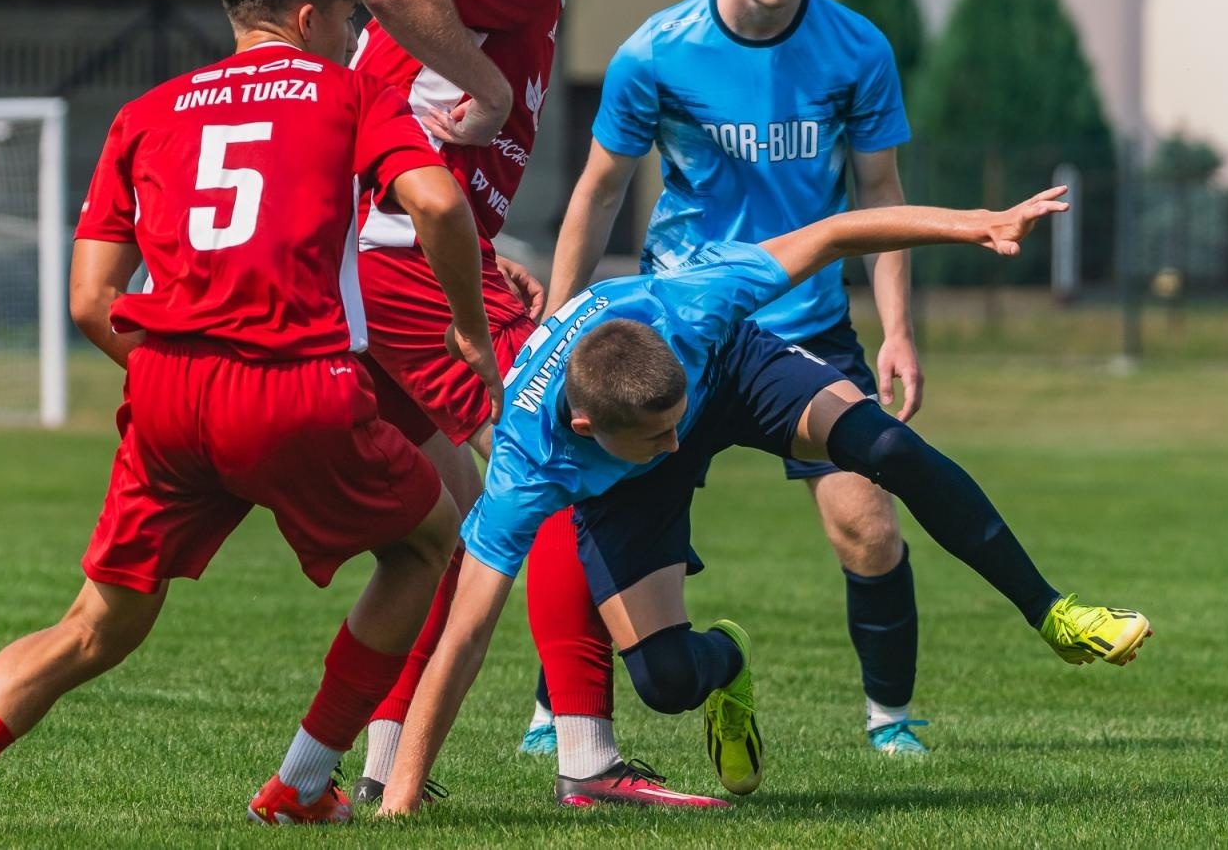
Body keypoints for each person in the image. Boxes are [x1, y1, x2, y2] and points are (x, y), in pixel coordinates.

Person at [0, 0, 501, 840]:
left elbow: (89, 300)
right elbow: (436, 202)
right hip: (293, 387)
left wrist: (181, 376)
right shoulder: (347, 94)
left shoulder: (146, 111)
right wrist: (471, 334)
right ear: (311, 18)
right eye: (357, 20)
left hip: (164, 389)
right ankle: (302, 780)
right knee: (430, 541)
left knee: (90, 628)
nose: (363, 40)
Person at [378, 185, 1153, 814]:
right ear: (585, 428)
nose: (678, 451)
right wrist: (401, 803)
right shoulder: (526, 461)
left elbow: (837, 231)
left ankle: (1051, 610)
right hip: (629, 462)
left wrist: (974, 222)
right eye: (656, 439)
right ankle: (730, 661)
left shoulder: (693, 304)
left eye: (672, 430)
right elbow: (465, 636)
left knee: (885, 446)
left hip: (731, 372)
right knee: (667, 682)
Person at [344, 0, 723, 809]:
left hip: (397, 266)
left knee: (448, 532)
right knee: (564, 452)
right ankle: (588, 761)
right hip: (396, 272)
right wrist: (491, 91)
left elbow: (409, 118)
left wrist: (481, 249)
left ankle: (373, 769)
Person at [545, 0, 933, 755]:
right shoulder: (657, 54)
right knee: (611, 519)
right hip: (682, 329)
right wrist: (559, 326)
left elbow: (881, 196)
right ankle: (555, 709)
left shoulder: (855, 48)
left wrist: (899, 331)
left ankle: (890, 721)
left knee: (867, 526)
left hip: (806, 329)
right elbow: (598, 191)